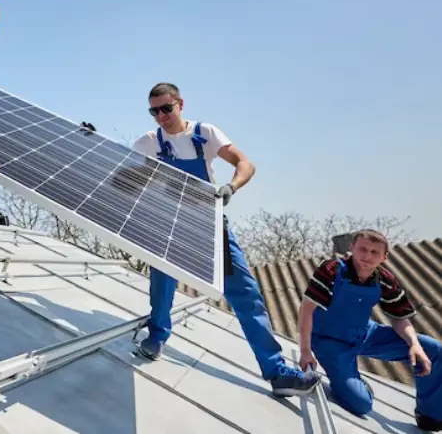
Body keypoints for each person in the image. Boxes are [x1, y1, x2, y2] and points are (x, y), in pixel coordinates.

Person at [131, 82, 320, 397]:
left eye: (166, 108)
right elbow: (118, 171)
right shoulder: (150, 142)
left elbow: (245, 164)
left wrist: (231, 187)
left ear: (180, 104)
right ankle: (156, 338)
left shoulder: (205, 133)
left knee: (245, 293)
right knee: (161, 281)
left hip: (209, 222)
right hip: (172, 224)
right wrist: (88, 140)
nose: (161, 116)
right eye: (154, 111)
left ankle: (276, 371)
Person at [298, 230, 441, 431]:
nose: (367, 256)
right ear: (352, 249)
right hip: (330, 341)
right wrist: (305, 351)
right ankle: (357, 386)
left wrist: (414, 345)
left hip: (364, 335)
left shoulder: (384, 279)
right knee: (361, 405)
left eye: (375, 252)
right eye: (362, 249)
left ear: (385, 257)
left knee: (432, 349)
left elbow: (400, 319)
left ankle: (429, 415)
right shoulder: (331, 270)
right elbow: (306, 309)